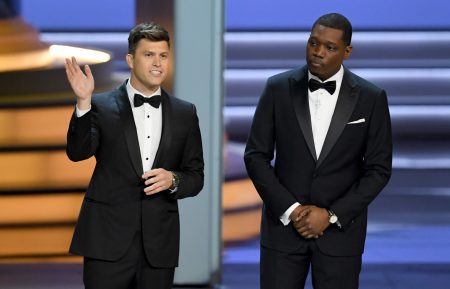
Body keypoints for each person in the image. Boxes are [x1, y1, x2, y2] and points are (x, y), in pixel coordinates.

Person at [244, 13, 392, 289]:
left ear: (347, 52)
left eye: (330, 47)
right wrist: (292, 209)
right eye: (313, 43)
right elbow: (255, 156)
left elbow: (379, 169)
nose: (318, 53)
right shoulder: (277, 88)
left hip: (340, 235)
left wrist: (331, 215)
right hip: (283, 231)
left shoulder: (371, 98)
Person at [64, 22, 204, 289]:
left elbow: (196, 176)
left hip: (158, 246)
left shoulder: (185, 113)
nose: (157, 63)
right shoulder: (102, 106)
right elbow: (78, 152)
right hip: (107, 242)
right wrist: (83, 102)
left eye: (163, 55)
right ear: (130, 59)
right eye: (148, 55)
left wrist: (173, 179)